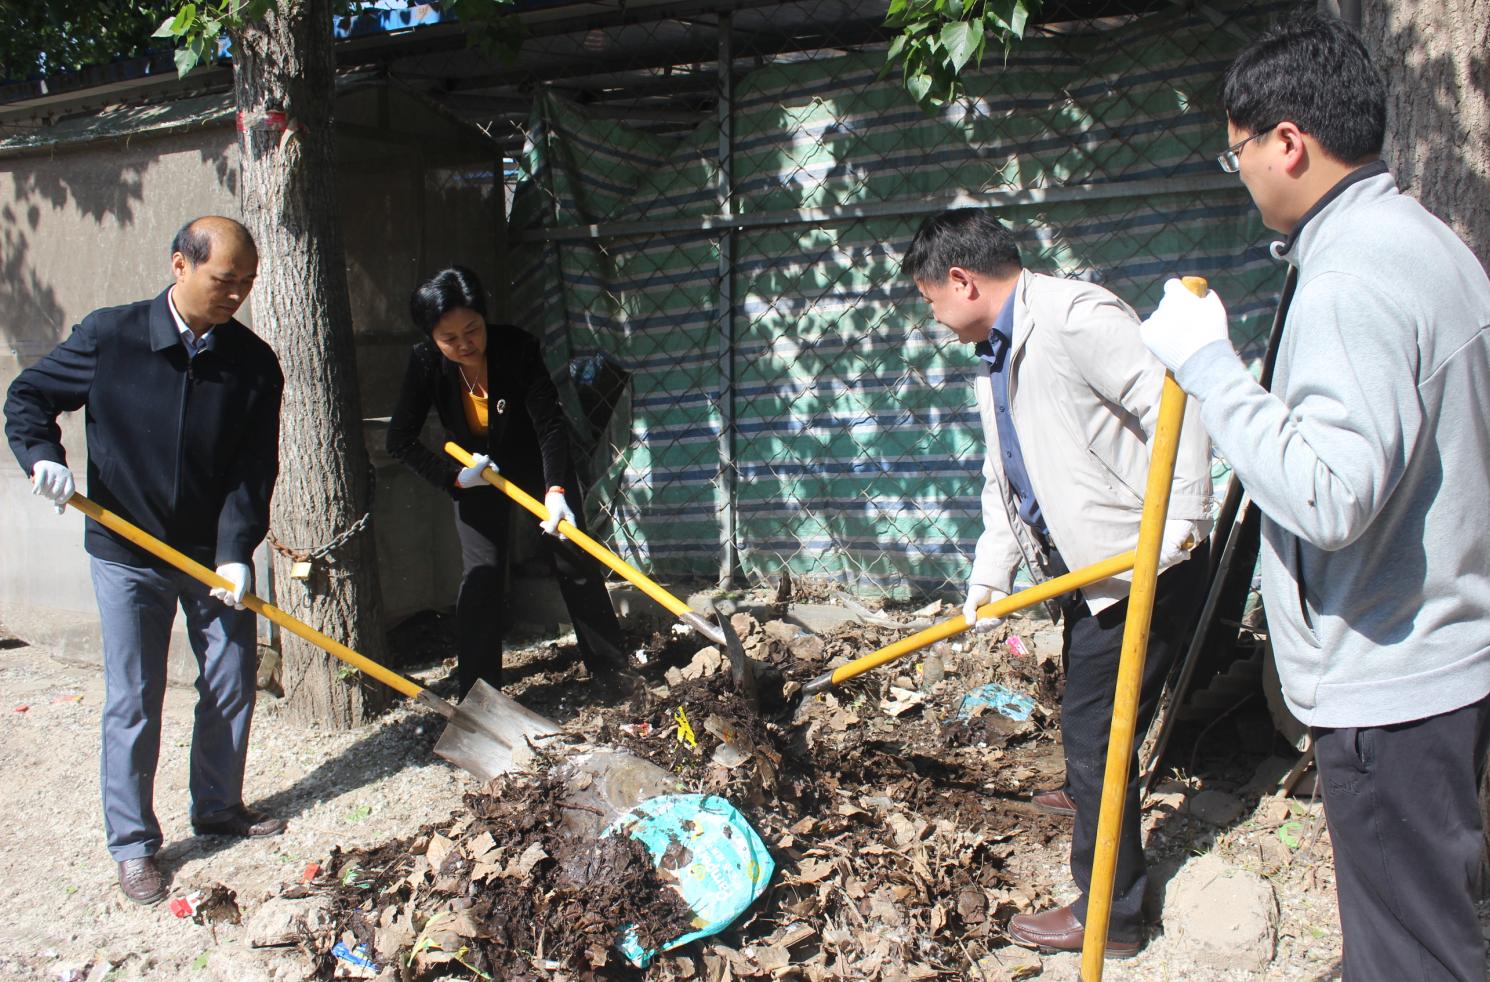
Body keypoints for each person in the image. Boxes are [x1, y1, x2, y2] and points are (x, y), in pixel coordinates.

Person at [1141, 15, 1490, 980]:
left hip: (1394, 675)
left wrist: (1210, 365)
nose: (1242, 172)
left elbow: (1330, 495)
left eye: (1239, 151)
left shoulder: (1354, 275)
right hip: (1437, 653)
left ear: (1288, 141)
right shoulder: (1424, 240)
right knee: (1419, 922)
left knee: (1415, 955)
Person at [901, 208, 1213, 956]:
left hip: (1143, 562)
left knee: (1096, 733)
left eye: (929, 300)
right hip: (1089, 568)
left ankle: (1113, 913)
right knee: (1091, 713)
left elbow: (1176, 396)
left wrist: (1181, 521)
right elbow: (1007, 477)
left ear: (961, 280)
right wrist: (987, 577)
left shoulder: (1075, 318)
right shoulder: (998, 353)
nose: (934, 318)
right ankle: (1088, 800)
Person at [4, 216, 285, 906]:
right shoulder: (113, 337)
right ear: (180, 265)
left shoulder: (252, 363)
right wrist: (42, 457)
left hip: (209, 559)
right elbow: (29, 398)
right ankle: (133, 846)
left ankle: (219, 808)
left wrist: (235, 551)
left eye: (247, 283)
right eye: (225, 280)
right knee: (135, 697)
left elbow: (253, 468)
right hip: (126, 552)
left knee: (230, 679)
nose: (237, 295)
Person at [386, 266, 628, 697]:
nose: (464, 344)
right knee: (481, 574)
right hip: (475, 473)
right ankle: (479, 695)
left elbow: (549, 425)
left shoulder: (517, 347)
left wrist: (556, 490)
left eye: (472, 330)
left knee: (573, 559)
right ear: (431, 338)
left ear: (485, 318)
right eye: (449, 338)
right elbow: (399, 440)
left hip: (535, 462)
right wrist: (454, 479)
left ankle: (612, 673)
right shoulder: (424, 363)